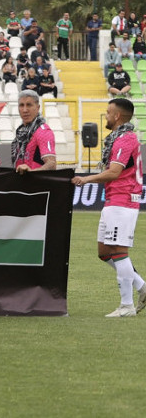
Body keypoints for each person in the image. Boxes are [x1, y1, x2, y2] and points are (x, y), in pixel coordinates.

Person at [71, 98, 146, 317]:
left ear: (118, 116)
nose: (106, 115)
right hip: (114, 198)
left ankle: (126, 306)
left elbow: (114, 172)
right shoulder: (119, 137)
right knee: (104, 252)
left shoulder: (125, 139)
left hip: (123, 199)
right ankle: (142, 288)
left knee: (118, 250)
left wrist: (86, 179)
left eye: (108, 112)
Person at [12, 90, 56, 173]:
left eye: (29, 105)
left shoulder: (44, 132)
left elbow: (52, 164)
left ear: (38, 107)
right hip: (22, 184)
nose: (25, 110)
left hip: (38, 184)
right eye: (21, 105)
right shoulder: (21, 133)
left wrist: (31, 172)